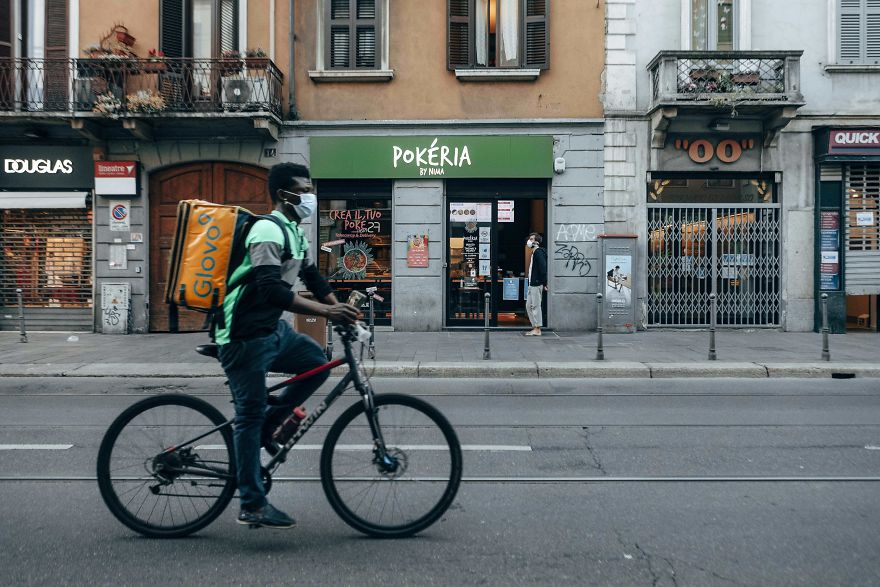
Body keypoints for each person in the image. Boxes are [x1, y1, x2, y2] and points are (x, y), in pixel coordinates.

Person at [214, 162, 359, 529]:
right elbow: (271, 289)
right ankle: (252, 503)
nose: (309, 195)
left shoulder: (295, 231)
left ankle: (270, 421)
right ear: (283, 194)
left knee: (315, 361)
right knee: (247, 417)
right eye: (302, 189)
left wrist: (339, 307)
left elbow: (312, 275)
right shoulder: (266, 229)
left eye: (310, 188)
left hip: (271, 331)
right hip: (242, 335)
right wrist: (328, 314)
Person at [525, 232, 548, 336]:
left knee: (535, 306)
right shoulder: (534, 253)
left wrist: (544, 283)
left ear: (536, 242)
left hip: (536, 284)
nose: (529, 241)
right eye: (529, 239)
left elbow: (543, 269)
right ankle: (535, 327)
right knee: (529, 306)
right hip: (532, 284)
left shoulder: (538, 252)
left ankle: (537, 329)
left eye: (531, 239)